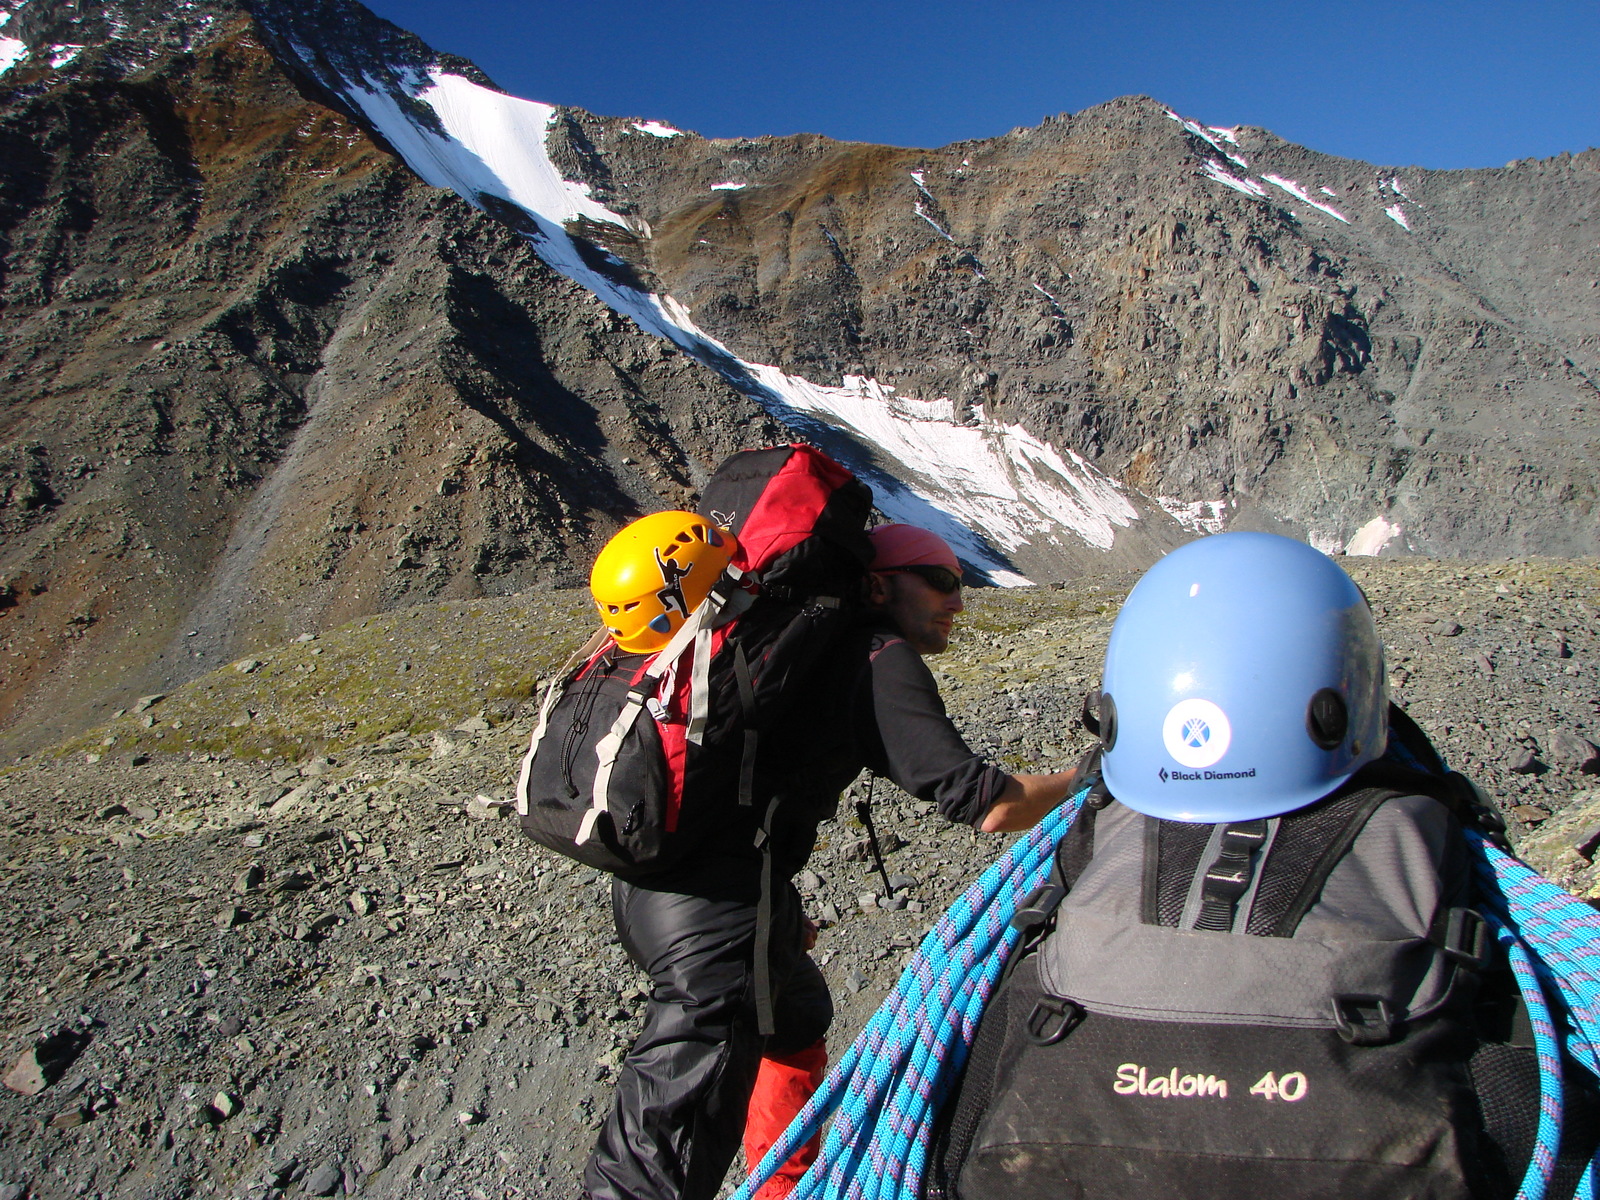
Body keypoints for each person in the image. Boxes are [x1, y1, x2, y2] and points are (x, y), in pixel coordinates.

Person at [582, 523, 1079, 1200]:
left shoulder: (800, 649)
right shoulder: (873, 655)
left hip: (668, 890)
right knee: (666, 1145)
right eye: (940, 580)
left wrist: (775, 911)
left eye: (960, 579)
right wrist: (1093, 775)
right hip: (714, 920)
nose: (958, 599)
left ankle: (781, 1188)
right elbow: (986, 803)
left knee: (795, 1012)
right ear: (877, 584)